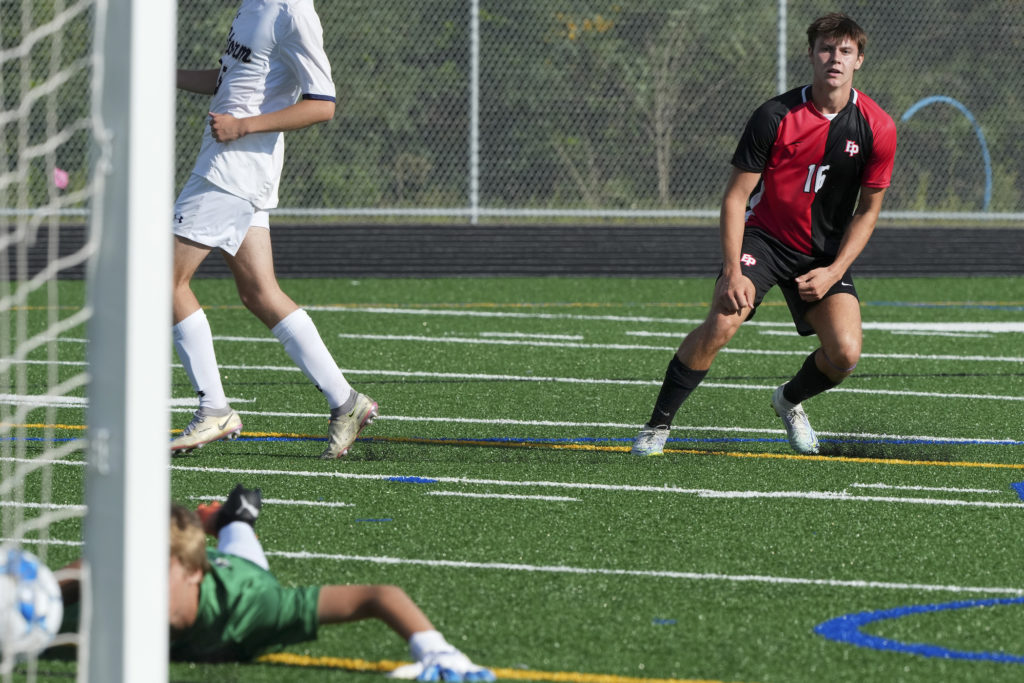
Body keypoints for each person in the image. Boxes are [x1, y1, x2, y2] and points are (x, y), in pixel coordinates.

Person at [630, 13, 896, 457]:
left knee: (846, 354)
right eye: (826, 49)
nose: (835, 58)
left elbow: (868, 212)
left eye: (845, 51)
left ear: (859, 60)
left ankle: (788, 402)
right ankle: (657, 426)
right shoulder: (774, 115)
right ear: (811, 54)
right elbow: (736, 198)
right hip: (766, 240)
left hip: (823, 254)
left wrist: (833, 271)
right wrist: (733, 272)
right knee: (722, 321)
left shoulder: (878, 127)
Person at [170, 0, 376, 458]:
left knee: (165, 281)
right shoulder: (251, 6)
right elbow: (228, 81)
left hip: (234, 170)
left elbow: (322, 105)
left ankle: (214, 410)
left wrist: (244, 127)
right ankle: (346, 401)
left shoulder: (292, 12)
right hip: (230, 165)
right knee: (260, 293)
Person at [58, 485, 495, 680]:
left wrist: (437, 651)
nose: (135, 582)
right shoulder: (107, 594)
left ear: (194, 572)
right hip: (215, 567)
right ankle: (229, 516)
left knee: (239, 538)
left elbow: (381, 596)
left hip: (245, 578)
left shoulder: (255, 612)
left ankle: (230, 516)